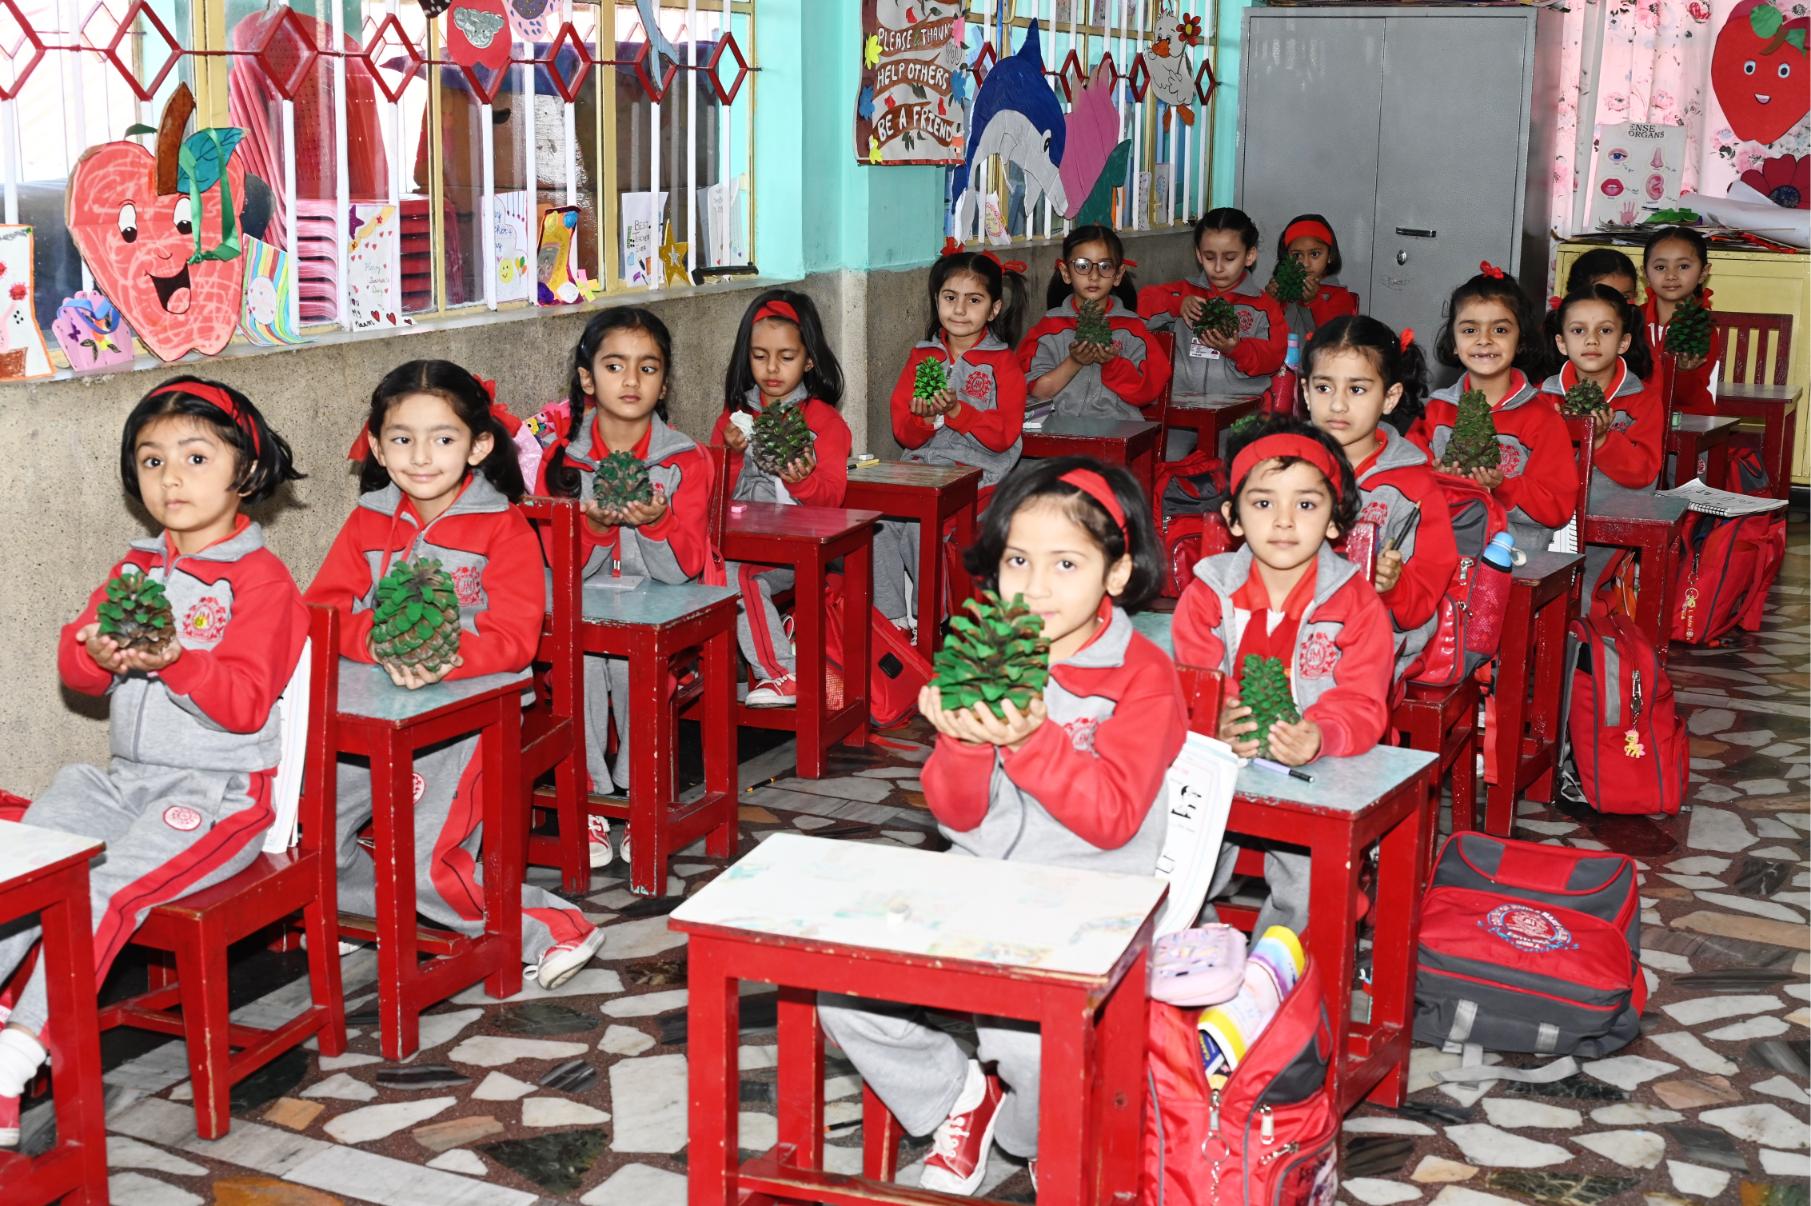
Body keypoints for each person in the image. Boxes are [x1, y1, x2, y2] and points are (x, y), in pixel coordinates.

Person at [820, 458, 1181, 1196]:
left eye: (1066, 564)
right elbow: (957, 814)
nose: (1035, 587)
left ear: (1116, 574)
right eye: (1018, 560)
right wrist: (960, 741)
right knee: (840, 993)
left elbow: (1112, 820)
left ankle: (1033, 1132)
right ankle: (957, 1096)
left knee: (1031, 1049)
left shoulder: (1141, 676)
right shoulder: (982, 652)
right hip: (980, 881)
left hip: (1091, 896)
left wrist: (1029, 740)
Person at [0, 378, 305, 1145]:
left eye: (196, 457)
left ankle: (17, 1054)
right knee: (30, 866)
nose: (171, 478)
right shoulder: (135, 567)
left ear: (247, 469)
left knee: (102, 891)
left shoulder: (261, 582)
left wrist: (177, 661)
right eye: (151, 460)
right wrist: (94, 655)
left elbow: (244, 705)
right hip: (125, 783)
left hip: (218, 796)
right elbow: (77, 672)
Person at [308, 360, 603, 989]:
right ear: (378, 448)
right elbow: (325, 614)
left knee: (426, 863)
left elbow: (514, 641)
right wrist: (380, 643)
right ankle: (375, 910)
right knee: (311, 831)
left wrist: (441, 656)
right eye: (402, 438)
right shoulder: (367, 520)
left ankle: (553, 928)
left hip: (468, 720)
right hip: (377, 711)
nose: (421, 457)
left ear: (478, 445)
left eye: (442, 438)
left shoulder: (504, 528)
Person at [1172, 417, 1392, 934]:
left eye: (1307, 505)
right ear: (1234, 517)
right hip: (1223, 760)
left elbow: (1362, 701)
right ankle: (1195, 944)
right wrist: (1218, 720)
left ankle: (1282, 959)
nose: (1285, 521)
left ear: (1335, 521)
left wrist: (1320, 733)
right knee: (1173, 846)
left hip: (1319, 766)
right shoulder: (1206, 595)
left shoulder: (1355, 604)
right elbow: (1195, 681)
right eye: (1264, 503)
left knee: (1316, 877)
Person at [535, 307, 714, 865]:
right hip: (588, 614)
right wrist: (592, 529)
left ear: (665, 383)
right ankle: (588, 798)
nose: (631, 380)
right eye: (614, 366)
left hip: (662, 616)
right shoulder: (561, 462)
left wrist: (657, 524)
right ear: (587, 379)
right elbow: (558, 567)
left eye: (647, 367)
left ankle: (642, 798)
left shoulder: (684, 460)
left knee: (637, 662)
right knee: (582, 654)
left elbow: (684, 570)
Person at [874, 243, 1030, 632]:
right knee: (877, 523)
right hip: (922, 470)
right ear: (937, 300)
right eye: (950, 298)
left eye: (973, 300)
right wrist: (925, 420)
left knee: (920, 522)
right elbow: (903, 432)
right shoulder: (922, 357)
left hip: (979, 477)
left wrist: (959, 412)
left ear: (993, 309)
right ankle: (893, 623)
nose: (959, 310)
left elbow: (1003, 437)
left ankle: (932, 620)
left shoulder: (1004, 364)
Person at [712, 290, 851, 706]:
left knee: (735, 576)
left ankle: (779, 673)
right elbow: (713, 497)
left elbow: (832, 503)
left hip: (794, 556)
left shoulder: (825, 422)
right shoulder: (734, 419)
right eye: (759, 356)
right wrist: (730, 457)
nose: (771, 368)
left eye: (786, 357)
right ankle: (698, 674)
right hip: (737, 545)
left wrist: (803, 482)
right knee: (697, 567)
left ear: (808, 360)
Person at [1304, 316, 1457, 678]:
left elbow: (1421, 601)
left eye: (1357, 390)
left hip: (1374, 645)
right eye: (1324, 387)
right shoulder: (1283, 466)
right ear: (1305, 393)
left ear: (1390, 397)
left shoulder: (1414, 488)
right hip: (1294, 628)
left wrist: (1394, 585)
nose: (1337, 405)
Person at [1419, 263, 1577, 554]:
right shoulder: (1434, 411)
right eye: (1470, 330)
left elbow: (1557, 508)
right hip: (1441, 554)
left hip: (1516, 559)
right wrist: (1434, 478)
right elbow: (1404, 483)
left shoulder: (1542, 418)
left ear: (1520, 341)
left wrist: (1503, 485)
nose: (1484, 340)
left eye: (1500, 329)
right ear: (1453, 342)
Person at [1541, 284, 1664, 592]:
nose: (1592, 340)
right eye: (1578, 330)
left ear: (1624, 342)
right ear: (1561, 342)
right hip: (1549, 514)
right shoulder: (1543, 397)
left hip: (1611, 519)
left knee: (1585, 590)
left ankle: (1589, 608)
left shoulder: (1642, 400)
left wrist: (1602, 441)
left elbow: (1644, 473)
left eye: (1605, 330)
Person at [1139, 208, 1286, 452]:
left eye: (1229, 258)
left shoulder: (1264, 307)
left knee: (1234, 465)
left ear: (1250, 256)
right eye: (1209, 257)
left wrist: (1236, 349)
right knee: (1163, 459)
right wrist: (1177, 304)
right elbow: (1139, 313)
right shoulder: (1184, 292)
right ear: (1198, 254)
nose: (1218, 267)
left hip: (1239, 415)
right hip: (1180, 410)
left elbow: (1273, 357)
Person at [1019, 223, 1169, 421]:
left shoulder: (1132, 329)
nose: (1094, 276)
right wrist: (1074, 362)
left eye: (1105, 266)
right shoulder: (1048, 329)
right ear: (1065, 272)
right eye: (1082, 265)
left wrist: (1112, 363)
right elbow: (1037, 392)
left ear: (1118, 275)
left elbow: (1146, 393)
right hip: (1060, 429)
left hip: (1118, 428)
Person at [1642, 226, 1720, 416]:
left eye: (1683, 266)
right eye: (1660, 267)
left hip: (1688, 419)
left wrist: (1685, 373)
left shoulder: (1701, 326)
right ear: (1645, 273)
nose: (1671, 276)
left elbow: (1688, 397)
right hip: (1639, 416)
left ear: (1703, 272)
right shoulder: (1630, 319)